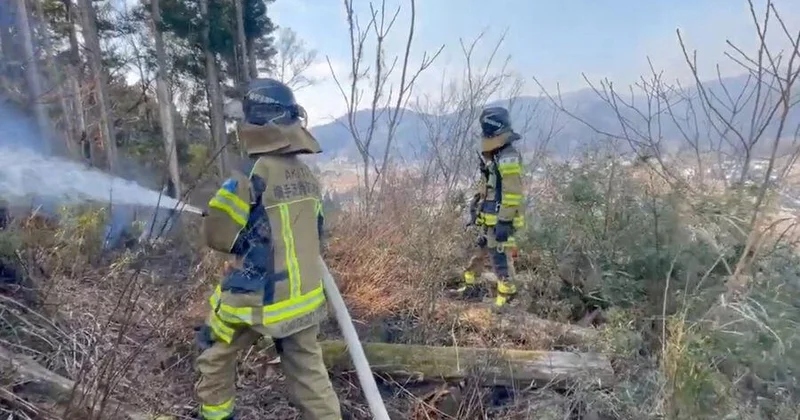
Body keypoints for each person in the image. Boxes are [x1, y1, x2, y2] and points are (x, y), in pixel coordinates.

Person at [195, 78, 341, 420]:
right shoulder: (307, 177)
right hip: (302, 298)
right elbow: (315, 231)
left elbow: (219, 237)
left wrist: (217, 215)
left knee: (214, 349)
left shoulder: (250, 174)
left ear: (255, 121)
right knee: (310, 376)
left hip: (257, 296)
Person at [452, 106, 525, 309]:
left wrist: (504, 221)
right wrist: (476, 207)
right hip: (490, 220)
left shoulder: (508, 156)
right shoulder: (495, 157)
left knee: (500, 258)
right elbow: (489, 189)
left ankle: (506, 298)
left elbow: (512, 193)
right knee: (477, 254)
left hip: (501, 220)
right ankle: (470, 287)